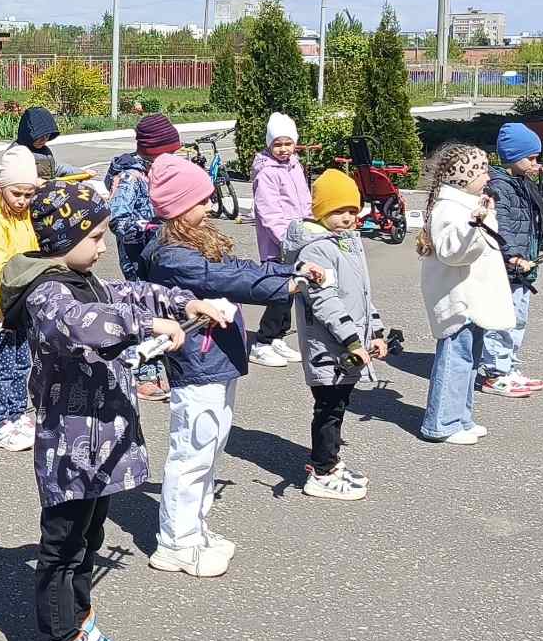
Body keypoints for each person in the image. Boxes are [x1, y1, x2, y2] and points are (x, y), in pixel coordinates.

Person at [0, 181, 227, 641]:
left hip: (102, 445)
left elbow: (134, 292)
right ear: (65, 236)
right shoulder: (47, 293)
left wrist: (183, 306)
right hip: (70, 449)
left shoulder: (87, 279)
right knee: (61, 548)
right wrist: (147, 326)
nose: (105, 247)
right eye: (96, 236)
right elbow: (85, 324)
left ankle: (80, 628)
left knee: (90, 539)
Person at [140, 154, 325, 577]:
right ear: (176, 207)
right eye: (201, 201)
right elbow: (226, 280)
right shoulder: (171, 255)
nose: (209, 207)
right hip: (197, 364)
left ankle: (196, 528)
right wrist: (288, 285)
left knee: (210, 449)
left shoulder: (196, 240)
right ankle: (176, 543)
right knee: (191, 454)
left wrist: (288, 269)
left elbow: (240, 268)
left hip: (217, 361)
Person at [284, 170, 386, 501]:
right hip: (329, 346)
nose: (347, 218)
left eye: (353, 211)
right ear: (320, 212)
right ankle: (322, 470)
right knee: (328, 407)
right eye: (338, 211)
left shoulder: (349, 243)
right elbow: (324, 301)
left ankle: (330, 460)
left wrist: (376, 330)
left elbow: (364, 294)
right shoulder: (315, 250)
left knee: (338, 404)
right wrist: (352, 340)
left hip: (350, 343)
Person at [417, 144, 516, 445]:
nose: (488, 175)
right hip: (459, 300)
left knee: (469, 362)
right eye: (481, 170)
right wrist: (475, 224)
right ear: (462, 177)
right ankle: (441, 423)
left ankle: (461, 417)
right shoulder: (450, 209)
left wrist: (481, 218)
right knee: (455, 361)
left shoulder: (467, 204)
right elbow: (453, 253)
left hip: (473, 298)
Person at [104, 113, 183, 402]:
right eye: (170, 152)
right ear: (153, 150)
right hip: (137, 256)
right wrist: (152, 228)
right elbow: (118, 220)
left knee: (164, 307)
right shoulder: (131, 177)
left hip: (157, 251)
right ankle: (143, 374)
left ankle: (162, 367)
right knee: (145, 310)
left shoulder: (154, 171)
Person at [477, 122, 543, 398]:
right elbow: (503, 227)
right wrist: (513, 256)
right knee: (502, 320)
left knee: (518, 319)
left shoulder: (525, 184)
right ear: (512, 157)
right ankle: (494, 373)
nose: (536, 163)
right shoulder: (501, 187)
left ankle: (508, 366)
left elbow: (537, 220)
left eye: (537, 158)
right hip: (509, 268)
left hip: (525, 268)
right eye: (531, 158)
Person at [0, 145, 41, 452]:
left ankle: (17, 413)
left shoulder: (26, 214)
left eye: (29, 195)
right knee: (2, 365)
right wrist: (12, 302)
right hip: (1, 307)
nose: (23, 201)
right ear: (1, 188)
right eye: (17, 194)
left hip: (27, 302)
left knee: (23, 363)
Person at [248, 112, 311, 367]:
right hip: (278, 244)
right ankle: (262, 342)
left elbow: (305, 200)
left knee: (292, 291)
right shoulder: (266, 173)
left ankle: (278, 338)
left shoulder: (295, 165)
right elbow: (269, 211)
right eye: (278, 144)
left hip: (298, 239)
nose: (284, 149)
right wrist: (286, 239)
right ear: (269, 144)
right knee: (280, 293)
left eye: (288, 143)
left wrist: (310, 225)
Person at [12, 106, 80, 180]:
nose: (44, 140)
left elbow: (55, 169)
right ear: (28, 135)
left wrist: (82, 172)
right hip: (31, 190)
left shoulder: (44, 150)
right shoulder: (17, 153)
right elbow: (11, 180)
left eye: (47, 136)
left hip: (47, 188)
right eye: (40, 136)